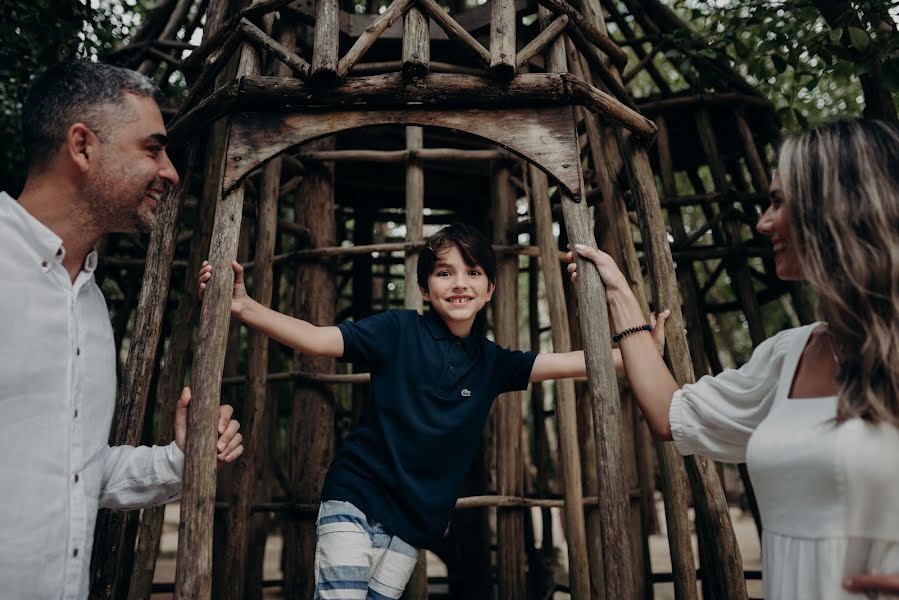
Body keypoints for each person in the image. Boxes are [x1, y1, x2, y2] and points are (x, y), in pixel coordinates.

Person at [198, 222, 668, 598]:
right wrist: (245, 307)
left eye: (472, 273)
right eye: (444, 273)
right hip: (355, 496)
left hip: (414, 522)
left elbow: (577, 363)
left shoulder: (493, 363)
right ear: (424, 289)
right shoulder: (396, 331)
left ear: (490, 291)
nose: (459, 283)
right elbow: (317, 337)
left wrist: (639, 348)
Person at [569, 118, 899, 599]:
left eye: (780, 202)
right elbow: (670, 413)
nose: (763, 222)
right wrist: (620, 295)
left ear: (841, 209)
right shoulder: (790, 354)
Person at [0, 61, 244, 599]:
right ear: (82, 146)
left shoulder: (88, 301)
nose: (172, 171)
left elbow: (78, 468)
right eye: (152, 149)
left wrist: (179, 460)